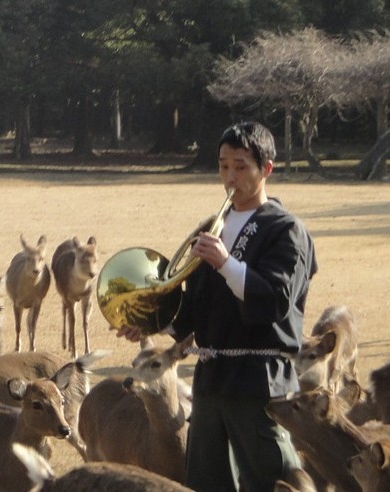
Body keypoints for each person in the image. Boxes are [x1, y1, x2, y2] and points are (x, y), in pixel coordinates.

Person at [124, 121, 317, 492]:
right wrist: (151, 321)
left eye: (241, 166)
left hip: (259, 380)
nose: (230, 177)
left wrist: (226, 263)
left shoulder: (286, 229)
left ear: (267, 169)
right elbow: (194, 311)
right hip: (211, 381)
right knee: (206, 481)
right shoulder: (211, 228)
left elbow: (275, 300)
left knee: (272, 479)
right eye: (223, 165)